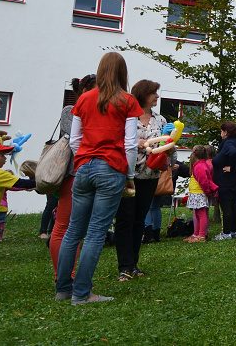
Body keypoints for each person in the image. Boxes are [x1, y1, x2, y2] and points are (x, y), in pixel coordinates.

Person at [56, 52, 144, 305]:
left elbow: (74, 140)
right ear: (122, 72)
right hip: (111, 168)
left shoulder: (83, 99)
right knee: (96, 232)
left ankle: (63, 289)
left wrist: (82, 161)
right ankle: (82, 294)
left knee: (74, 230)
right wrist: (129, 175)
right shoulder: (126, 100)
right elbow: (129, 143)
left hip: (82, 168)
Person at [113, 79, 165, 282]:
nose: (157, 97)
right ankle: (124, 266)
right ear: (143, 94)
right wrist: (138, 143)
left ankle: (133, 263)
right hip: (127, 176)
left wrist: (165, 151)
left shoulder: (159, 120)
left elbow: (167, 143)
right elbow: (116, 141)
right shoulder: (127, 117)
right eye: (154, 93)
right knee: (125, 219)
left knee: (139, 220)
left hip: (150, 175)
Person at [50, 74, 96, 274]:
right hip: (71, 173)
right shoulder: (70, 110)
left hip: (85, 172)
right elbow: (77, 139)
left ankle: (70, 272)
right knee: (63, 225)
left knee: (76, 227)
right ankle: (62, 275)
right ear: (85, 91)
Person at [0, 140, 37, 241]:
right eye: (2, 155)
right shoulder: (0, 175)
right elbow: (22, 183)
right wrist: (47, 180)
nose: (5, 158)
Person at [212, 121, 236, 240]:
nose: (221, 134)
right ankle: (233, 231)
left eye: (221, 131)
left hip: (226, 180)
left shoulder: (228, 143)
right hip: (235, 179)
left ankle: (226, 233)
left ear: (226, 132)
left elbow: (233, 153)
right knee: (233, 205)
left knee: (226, 207)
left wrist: (230, 166)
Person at [184, 145, 218, 242]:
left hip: (199, 193)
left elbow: (204, 181)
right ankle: (196, 234)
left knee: (201, 214)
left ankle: (202, 235)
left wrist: (207, 192)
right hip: (196, 192)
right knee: (198, 213)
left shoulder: (200, 166)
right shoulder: (200, 165)